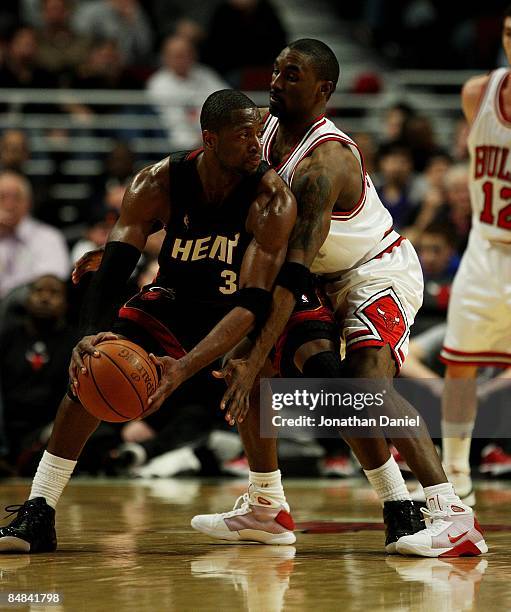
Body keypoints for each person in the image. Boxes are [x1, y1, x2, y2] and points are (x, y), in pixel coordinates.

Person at [190, 39, 487, 558]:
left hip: (374, 272)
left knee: (364, 387)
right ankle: (266, 505)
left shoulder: (325, 163)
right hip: (318, 277)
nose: (277, 82)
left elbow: (295, 268)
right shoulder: (260, 128)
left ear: (324, 89)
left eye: (293, 75)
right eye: (277, 71)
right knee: (250, 367)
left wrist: (258, 346)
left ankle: (452, 514)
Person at [0, 89, 297, 553]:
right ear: (210, 139)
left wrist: (185, 367)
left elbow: (254, 302)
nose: (257, 144)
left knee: (254, 376)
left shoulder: (271, 198)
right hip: (173, 299)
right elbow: (117, 263)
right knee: (93, 367)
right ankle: (40, 509)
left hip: (231, 311)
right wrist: (89, 333)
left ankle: (266, 502)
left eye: (258, 134)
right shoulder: (159, 181)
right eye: (244, 136)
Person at [439, 5, 511, 506]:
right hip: (485, 247)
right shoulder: (476, 94)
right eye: (509, 30)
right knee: (458, 364)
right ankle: (455, 470)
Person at [0, 171, 70, 299]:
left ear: (28, 202)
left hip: (27, 312)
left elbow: (50, 284)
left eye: (16, 197)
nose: (9, 205)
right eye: (2, 197)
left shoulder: (49, 237)